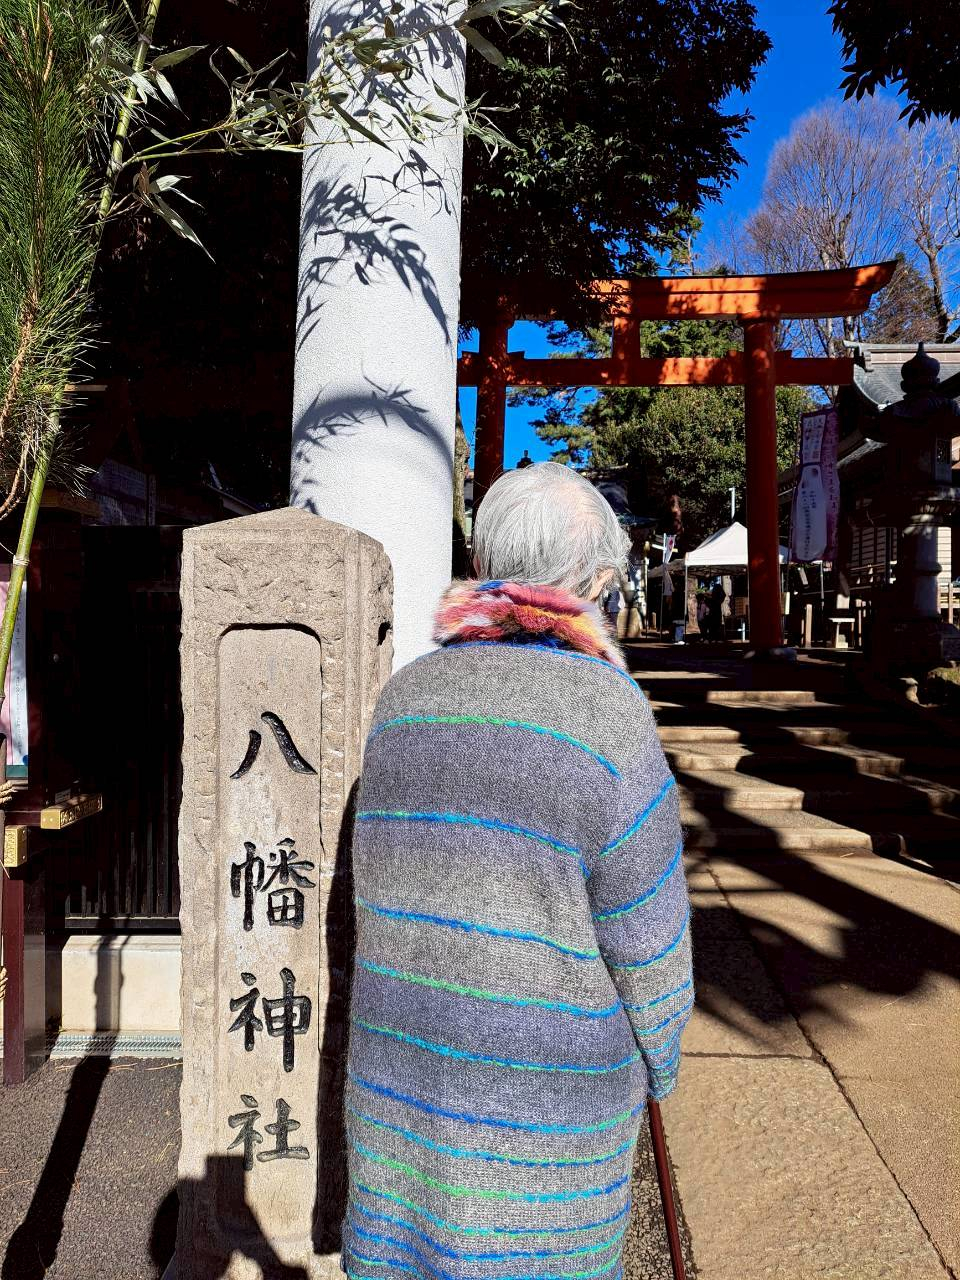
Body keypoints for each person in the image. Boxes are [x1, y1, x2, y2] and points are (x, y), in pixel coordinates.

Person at [341, 462, 693, 1276]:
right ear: (597, 582)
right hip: (546, 1110)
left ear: (482, 563)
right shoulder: (607, 712)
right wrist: (660, 1062)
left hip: (404, 1081)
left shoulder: (405, 699)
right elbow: (650, 943)